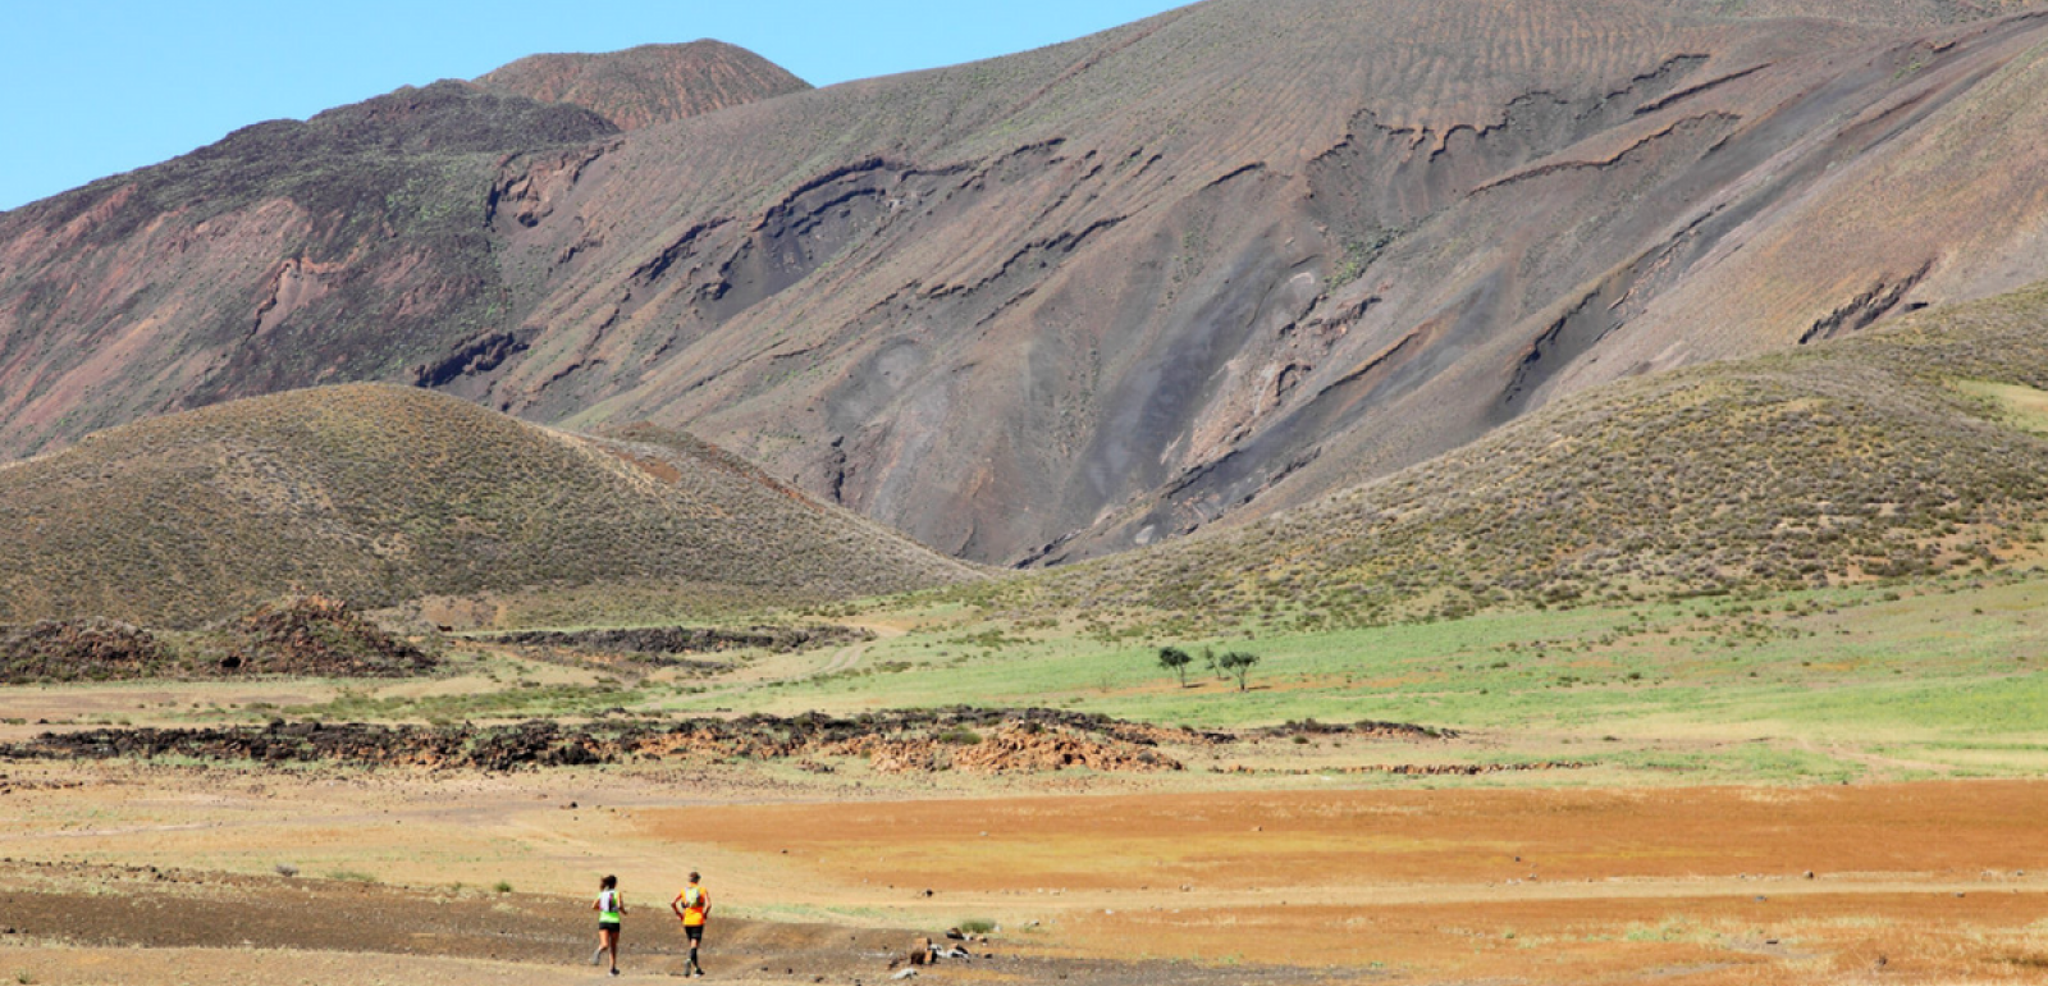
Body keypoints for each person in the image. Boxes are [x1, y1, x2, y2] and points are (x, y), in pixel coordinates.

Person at [670, 871, 712, 976]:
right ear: (698, 880)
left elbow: (673, 903)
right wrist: (705, 914)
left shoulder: (684, 891)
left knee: (693, 946)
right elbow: (709, 905)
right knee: (694, 946)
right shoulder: (702, 890)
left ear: (689, 880)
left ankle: (697, 969)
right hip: (698, 920)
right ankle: (689, 960)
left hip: (687, 921)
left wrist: (679, 914)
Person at [591, 874, 627, 976]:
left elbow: (593, 906)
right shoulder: (617, 893)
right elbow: (620, 906)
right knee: (613, 946)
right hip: (614, 921)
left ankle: (599, 950)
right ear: (615, 884)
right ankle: (612, 968)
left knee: (604, 944)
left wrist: (603, 909)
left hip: (603, 920)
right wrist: (624, 912)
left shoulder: (602, 894)